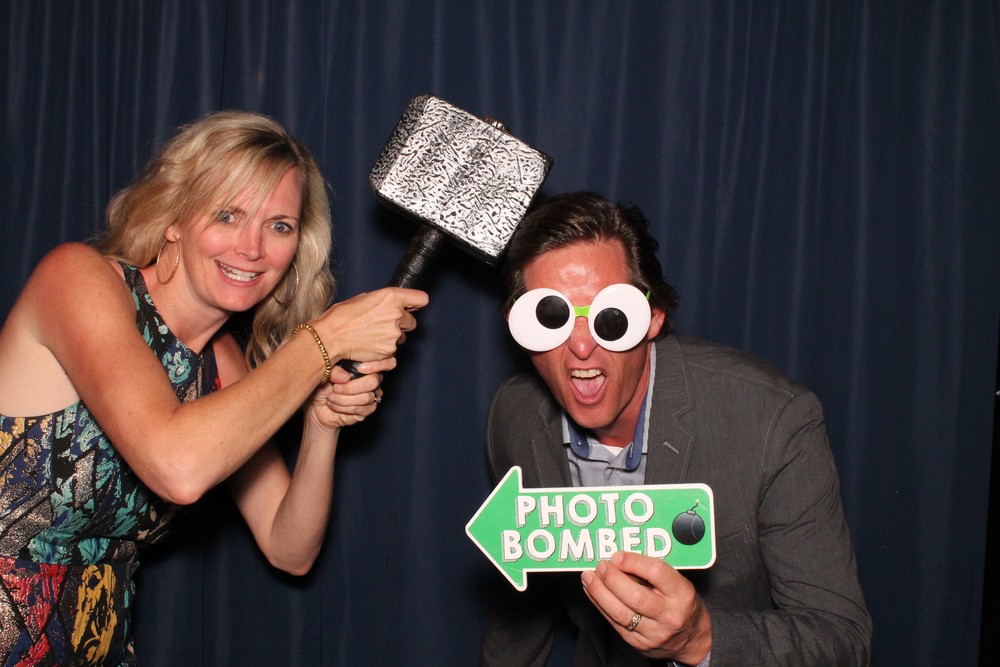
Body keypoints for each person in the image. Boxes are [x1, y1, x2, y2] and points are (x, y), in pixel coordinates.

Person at [0, 111, 428, 664]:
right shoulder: (78, 278)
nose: (252, 247)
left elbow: (289, 548)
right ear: (173, 218)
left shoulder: (222, 366)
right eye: (228, 215)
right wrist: (325, 340)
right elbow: (178, 466)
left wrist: (321, 426)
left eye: (279, 226)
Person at [480, 192, 871, 665]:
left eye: (611, 317)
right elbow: (521, 606)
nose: (581, 346)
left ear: (654, 318)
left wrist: (700, 640)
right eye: (549, 316)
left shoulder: (773, 420)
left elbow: (842, 639)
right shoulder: (516, 415)